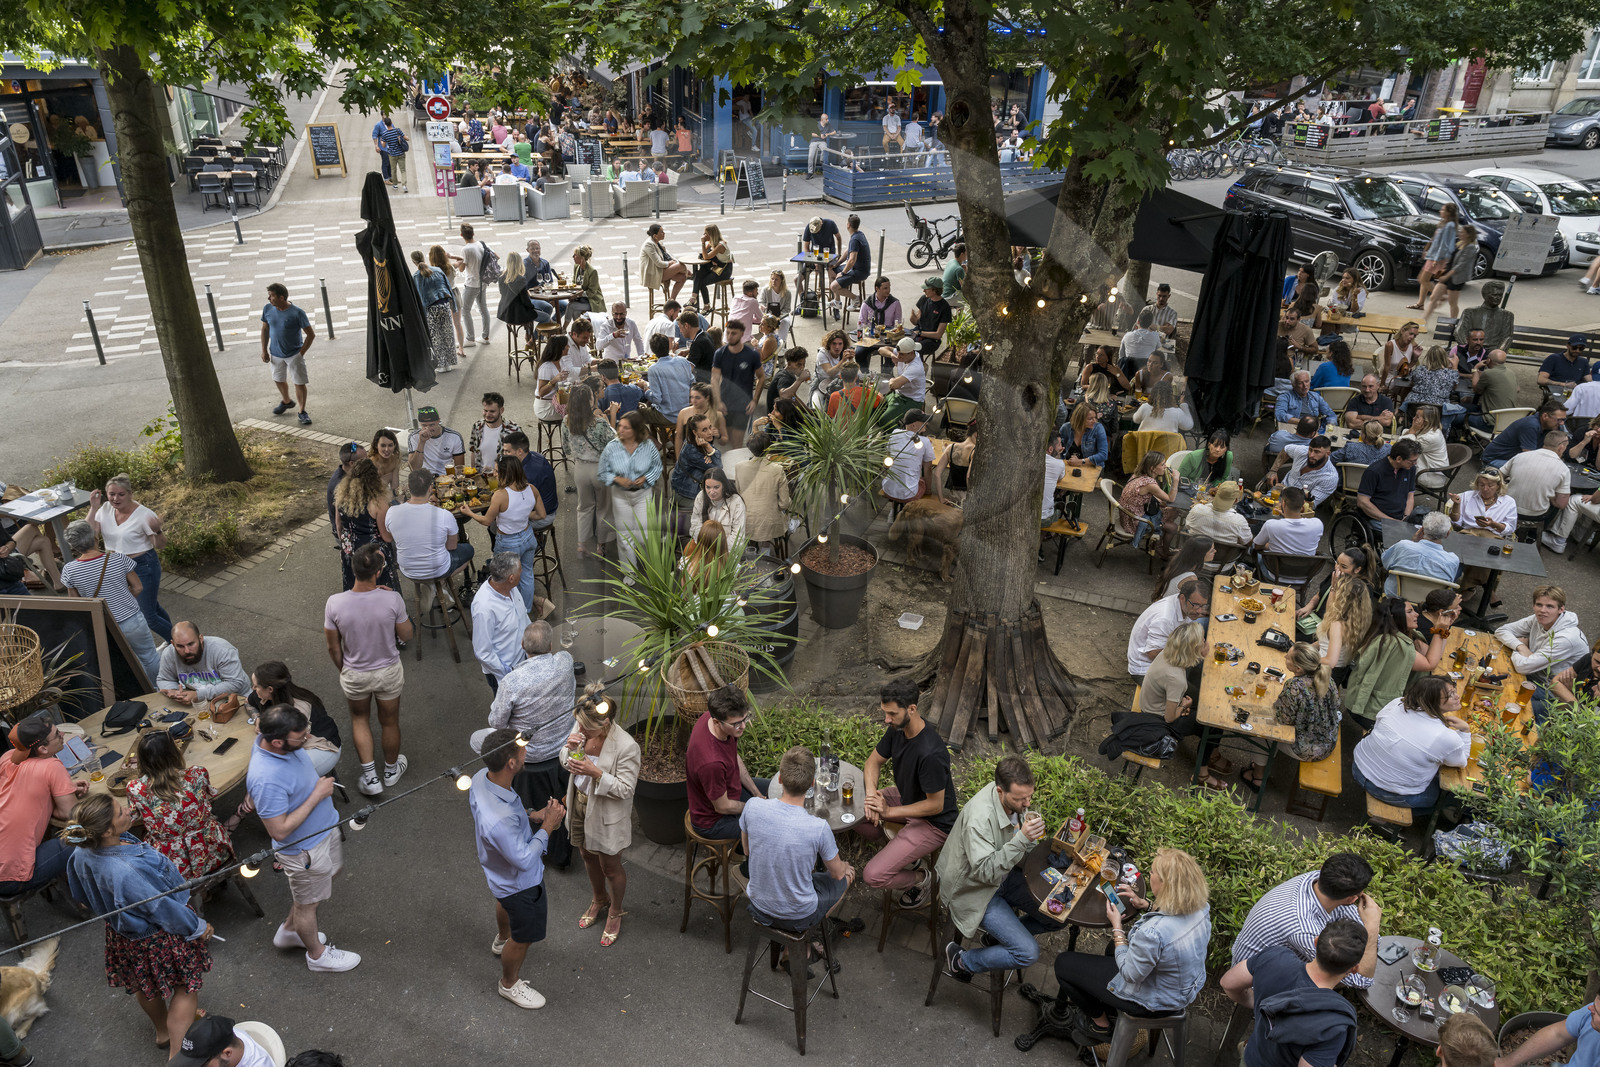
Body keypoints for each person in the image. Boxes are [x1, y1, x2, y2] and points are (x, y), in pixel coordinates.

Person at [62, 794, 215, 1051]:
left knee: (145, 985)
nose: (128, 809)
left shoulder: (82, 850)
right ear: (108, 830)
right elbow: (162, 909)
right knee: (185, 987)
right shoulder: (126, 871)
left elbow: (79, 894)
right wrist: (198, 927)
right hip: (157, 936)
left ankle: (163, 1032)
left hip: (122, 934)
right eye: (121, 812)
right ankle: (178, 1056)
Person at [1046, 848, 1211, 1044]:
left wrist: (1117, 927)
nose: (1149, 876)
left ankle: (1101, 1025)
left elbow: (1130, 974)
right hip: (1180, 990)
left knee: (1064, 964)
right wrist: (1147, 905)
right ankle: (1105, 1002)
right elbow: (1173, 917)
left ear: (1166, 884)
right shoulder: (1201, 908)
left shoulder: (1153, 933)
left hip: (1154, 1002)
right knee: (1111, 949)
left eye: (1152, 873)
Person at [244, 702, 357, 972]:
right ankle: (317, 957)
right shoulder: (265, 778)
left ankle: (289, 931)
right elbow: (279, 830)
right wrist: (316, 795)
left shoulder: (280, 744)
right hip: (304, 850)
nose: (307, 738)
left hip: (323, 832)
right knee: (308, 904)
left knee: (318, 887)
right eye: (301, 737)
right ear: (277, 741)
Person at [467, 727, 564, 1009]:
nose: (526, 753)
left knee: (504, 902)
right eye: (522, 750)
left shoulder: (479, 779)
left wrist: (532, 816)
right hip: (521, 885)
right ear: (511, 763)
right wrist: (548, 826)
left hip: (500, 878)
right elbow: (523, 859)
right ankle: (509, 983)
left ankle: (501, 938)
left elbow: (510, 822)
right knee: (524, 938)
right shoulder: (501, 819)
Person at [741, 746, 855, 966]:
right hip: (798, 916)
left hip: (758, 905)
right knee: (847, 875)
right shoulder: (818, 828)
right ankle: (804, 940)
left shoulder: (752, 807)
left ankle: (789, 946)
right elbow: (837, 873)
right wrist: (846, 868)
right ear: (812, 784)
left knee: (801, 879)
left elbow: (747, 851)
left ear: (780, 779)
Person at [938, 755, 1047, 981]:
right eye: (1020, 799)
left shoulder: (1013, 800)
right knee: (1028, 953)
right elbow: (985, 873)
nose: (1027, 804)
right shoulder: (979, 819)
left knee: (1057, 914)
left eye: (1030, 796)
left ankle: (998, 939)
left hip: (1004, 876)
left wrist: (1029, 836)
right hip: (976, 889)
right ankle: (961, 961)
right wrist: (1022, 839)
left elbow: (1017, 843)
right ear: (1000, 792)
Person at [853, 679, 957, 906]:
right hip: (906, 800)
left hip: (933, 822)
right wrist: (871, 797)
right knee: (852, 806)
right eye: (885, 712)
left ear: (912, 709)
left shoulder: (930, 753)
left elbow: (936, 805)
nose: (886, 719)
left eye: (891, 714)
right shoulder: (898, 729)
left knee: (873, 875)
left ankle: (924, 879)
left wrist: (888, 811)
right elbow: (873, 762)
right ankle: (897, 852)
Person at [323, 543, 412, 797]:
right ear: (379, 571)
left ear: (353, 570)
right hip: (388, 671)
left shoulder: (334, 603)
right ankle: (392, 770)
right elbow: (407, 634)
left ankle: (371, 777)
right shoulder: (392, 598)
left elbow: (333, 647)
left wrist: (345, 670)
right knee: (389, 721)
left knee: (360, 719)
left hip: (355, 673)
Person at [1221, 920, 1365, 1067]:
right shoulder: (1334, 1023)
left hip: (1253, 1056)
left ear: (1315, 942)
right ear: (1354, 969)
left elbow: (1228, 984)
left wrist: (1258, 1003)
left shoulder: (1274, 958)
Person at [1228, 853, 1380, 989]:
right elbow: (1361, 980)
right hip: (1252, 980)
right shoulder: (1303, 927)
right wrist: (1372, 929)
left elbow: (1348, 915)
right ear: (1353, 899)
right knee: (1331, 978)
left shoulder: (1318, 880)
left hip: (1265, 960)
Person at [561, 690, 641, 948]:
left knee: (610, 867)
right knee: (585, 855)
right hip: (579, 803)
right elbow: (565, 758)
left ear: (605, 722)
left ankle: (616, 910)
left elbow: (627, 789)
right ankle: (599, 898)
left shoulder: (627, 746)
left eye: (587, 730)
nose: (581, 732)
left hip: (606, 813)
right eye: (580, 727)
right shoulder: (582, 723)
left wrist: (596, 773)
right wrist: (570, 751)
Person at [61, 520, 161, 683]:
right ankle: (160, 688)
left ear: (74, 546)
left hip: (103, 625)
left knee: (124, 663)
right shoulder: (118, 559)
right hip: (131, 620)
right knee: (149, 657)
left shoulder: (69, 571)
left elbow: (76, 605)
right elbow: (137, 588)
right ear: (95, 538)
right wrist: (123, 598)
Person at [125, 730, 232, 882]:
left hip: (173, 865)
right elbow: (210, 798)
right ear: (174, 752)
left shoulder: (135, 788)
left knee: (143, 834)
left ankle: (193, 895)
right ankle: (205, 888)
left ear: (142, 759)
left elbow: (133, 818)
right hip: (212, 851)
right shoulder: (198, 773)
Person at [1352, 676, 1471, 810]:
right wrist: (1465, 730)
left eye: (1454, 691)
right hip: (1387, 791)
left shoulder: (1397, 702)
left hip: (1358, 766)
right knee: (1449, 797)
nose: (1457, 696)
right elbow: (1461, 761)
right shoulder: (1446, 737)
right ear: (1432, 702)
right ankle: (1387, 819)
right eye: (1450, 695)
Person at [1138, 622, 1231, 788]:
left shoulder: (1168, 653)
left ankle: (1212, 755)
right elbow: (1169, 717)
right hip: (1157, 722)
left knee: (1203, 705)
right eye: (1202, 640)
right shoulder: (1176, 679)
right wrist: (1183, 706)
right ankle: (1202, 775)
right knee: (1213, 725)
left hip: (1152, 704)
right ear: (1193, 649)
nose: (1206, 642)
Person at [0, 716, 84, 897]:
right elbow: (71, 813)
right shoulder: (51, 765)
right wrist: (64, 795)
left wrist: (65, 790)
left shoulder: (7, 758)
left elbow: (24, 793)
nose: (62, 734)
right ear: (43, 749)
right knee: (83, 836)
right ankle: (90, 896)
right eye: (57, 734)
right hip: (10, 879)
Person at [1239, 643, 1341, 790]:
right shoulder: (1328, 679)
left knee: (1263, 730)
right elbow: (1336, 704)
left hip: (1308, 748)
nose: (1285, 657)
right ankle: (1261, 762)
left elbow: (1283, 719)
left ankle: (1258, 777)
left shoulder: (1294, 685)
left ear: (1298, 669)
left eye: (1288, 657)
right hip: (1328, 739)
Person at [88, 473, 170, 641]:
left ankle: (180, 644)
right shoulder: (104, 509)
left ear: (130, 494)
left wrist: (158, 531)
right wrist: (93, 507)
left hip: (142, 566)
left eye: (121, 494)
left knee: (148, 617)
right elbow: (88, 534)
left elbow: (161, 545)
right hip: (117, 566)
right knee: (152, 607)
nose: (115, 498)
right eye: (111, 494)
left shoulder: (144, 515)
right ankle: (174, 638)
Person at [1344, 597, 1446, 726]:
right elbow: (1430, 664)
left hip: (1363, 703)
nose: (1417, 614)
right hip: (1369, 712)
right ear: (1394, 616)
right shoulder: (1394, 643)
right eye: (1409, 612)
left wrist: (1444, 629)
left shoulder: (1408, 634)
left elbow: (1435, 655)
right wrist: (1439, 630)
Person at [686, 685, 770, 840]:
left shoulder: (715, 719)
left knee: (774, 790)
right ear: (717, 722)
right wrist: (756, 808)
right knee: (770, 830)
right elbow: (722, 807)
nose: (743, 727)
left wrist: (757, 794)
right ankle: (745, 864)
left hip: (732, 792)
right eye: (737, 724)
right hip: (714, 821)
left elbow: (733, 757)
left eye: (745, 718)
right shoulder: (711, 763)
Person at [1495, 586, 1590, 720]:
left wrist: (1518, 649)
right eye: (1539, 605)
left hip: (1552, 694)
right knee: (1493, 682)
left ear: (1561, 609)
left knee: (1507, 706)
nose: (1542, 610)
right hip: (1533, 675)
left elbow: (1523, 667)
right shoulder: (1538, 619)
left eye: (1550, 606)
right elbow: (1501, 630)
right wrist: (1521, 646)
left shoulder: (1566, 638)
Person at [248, 662, 341, 777]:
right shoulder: (264, 695)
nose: (253, 689)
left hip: (320, 747)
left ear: (270, 689)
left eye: (256, 686)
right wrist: (257, 718)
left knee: (280, 776)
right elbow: (248, 703)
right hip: (296, 744)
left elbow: (291, 743)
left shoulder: (298, 709)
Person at [387, 470, 474, 591]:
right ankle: (437, 584)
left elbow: (392, 537)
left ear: (408, 488)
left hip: (408, 570)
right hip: (438, 569)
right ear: (430, 489)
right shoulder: (444, 515)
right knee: (469, 550)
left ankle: (432, 586)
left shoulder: (391, 512)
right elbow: (452, 547)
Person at [597, 411, 662, 568]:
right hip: (620, 496)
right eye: (620, 426)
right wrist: (616, 478)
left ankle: (651, 566)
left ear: (636, 430)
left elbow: (657, 466)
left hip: (643, 495)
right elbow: (602, 472)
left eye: (626, 428)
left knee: (644, 534)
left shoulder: (648, 446)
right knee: (624, 535)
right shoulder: (611, 447)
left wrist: (646, 477)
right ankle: (629, 571)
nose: (621, 430)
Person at [561, 384, 616, 559]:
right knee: (603, 508)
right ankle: (600, 545)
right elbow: (615, 444)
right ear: (589, 401)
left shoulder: (566, 421)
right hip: (600, 468)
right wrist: (611, 417)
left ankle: (582, 544)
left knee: (583, 507)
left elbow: (566, 449)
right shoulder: (599, 423)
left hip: (580, 469)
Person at [332, 458, 395, 592]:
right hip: (373, 554)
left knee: (353, 583)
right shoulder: (378, 502)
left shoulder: (341, 498)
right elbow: (386, 537)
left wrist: (346, 544)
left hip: (350, 550)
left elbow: (338, 526)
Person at [470, 552, 531, 691]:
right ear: (511, 578)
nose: (522, 572)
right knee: (507, 712)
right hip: (506, 673)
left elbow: (523, 618)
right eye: (520, 570)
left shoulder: (511, 588)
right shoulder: (484, 608)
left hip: (524, 663)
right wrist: (507, 674)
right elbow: (483, 652)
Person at [1127, 577, 1209, 677]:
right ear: (1183, 598)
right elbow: (1153, 654)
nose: (1199, 611)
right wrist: (1193, 652)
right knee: (1194, 691)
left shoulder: (1182, 603)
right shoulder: (1165, 619)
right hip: (1146, 669)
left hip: (1165, 659)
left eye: (1203, 606)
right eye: (1196, 605)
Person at [260, 282, 315, 425]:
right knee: (278, 379)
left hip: (294, 354)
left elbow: (310, 335)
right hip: (275, 354)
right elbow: (265, 329)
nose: (269, 298)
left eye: (271, 296)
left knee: (299, 382)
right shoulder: (267, 309)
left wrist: (300, 354)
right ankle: (286, 401)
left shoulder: (297, 313)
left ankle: (302, 412)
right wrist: (264, 350)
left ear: (282, 297)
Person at [156, 621, 249, 705]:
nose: (187, 651)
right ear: (173, 644)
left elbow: (235, 683)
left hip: (238, 698)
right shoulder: (169, 654)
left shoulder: (222, 650)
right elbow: (164, 679)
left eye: (191, 644)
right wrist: (174, 691)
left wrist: (199, 695)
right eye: (180, 646)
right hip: (200, 702)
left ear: (200, 638)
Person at [711, 320, 765, 447]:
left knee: (736, 443)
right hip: (725, 402)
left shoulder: (751, 355)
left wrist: (755, 400)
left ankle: (735, 464)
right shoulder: (720, 354)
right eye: (728, 333)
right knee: (724, 440)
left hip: (743, 405)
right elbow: (714, 379)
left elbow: (761, 377)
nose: (730, 336)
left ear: (742, 334)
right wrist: (718, 401)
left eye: (733, 333)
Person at [1379, 511, 1459, 596]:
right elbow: (1448, 584)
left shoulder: (1403, 546)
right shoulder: (1452, 560)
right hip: (1431, 605)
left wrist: (1412, 542)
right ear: (1447, 534)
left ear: (1422, 530)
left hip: (1395, 599)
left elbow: (1385, 562)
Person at [736, 433, 792, 550]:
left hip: (746, 521)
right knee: (783, 514)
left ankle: (751, 551)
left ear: (750, 448)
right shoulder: (777, 469)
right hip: (769, 522)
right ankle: (765, 551)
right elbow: (784, 503)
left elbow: (739, 493)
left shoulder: (739, 466)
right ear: (769, 448)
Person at [1315, 573, 1372, 685]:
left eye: (1337, 591)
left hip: (1323, 673)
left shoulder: (1337, 625)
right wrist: (1333, 587)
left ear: (1342, 599)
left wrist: (1305, 657)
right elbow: (1327, 643)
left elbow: (1330, 661)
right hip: (1339, 673)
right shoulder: (1357, 621)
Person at [1483, 401, 1571, 469]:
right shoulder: (1530, 426)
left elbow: (1559, 449)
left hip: (1515, 458)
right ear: (1545, 416)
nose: (1562, 423)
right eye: (1559, 420)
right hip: (1495, 460)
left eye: (1564, 420)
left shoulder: (1553, 426)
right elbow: (1529, 459)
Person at [412, 250, 459, 373]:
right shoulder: (438, 270)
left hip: (430, 308)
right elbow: (448, 288)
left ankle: (441, 364)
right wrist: (453, 305)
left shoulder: (416, 276)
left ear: (413, 261)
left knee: (436, 336)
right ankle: (450, 363)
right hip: (444, 304)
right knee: (447, 333)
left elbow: (419, 297)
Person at [1356, 438, 1420, 526]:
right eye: (1412, 461)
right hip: (1377, 518)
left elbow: (1410, 496)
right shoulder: (1374, 471)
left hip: (1400, 518)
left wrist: (1406, 517)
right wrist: (1391, 521)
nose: (1415, 463)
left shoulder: (1410, 469)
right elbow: (1362, 502)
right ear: (1399, 459)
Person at [883, 410, 941, 506]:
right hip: (908, 494)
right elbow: (928, 469)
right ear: (913, 426)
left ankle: (893, 510)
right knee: (922, 481)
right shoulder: (925, 442)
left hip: (888, 488)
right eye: (923, 422)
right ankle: (907, 511)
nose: (926, 423)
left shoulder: (895, 433)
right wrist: (928, 491)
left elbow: (887, 460)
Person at [1422, 224, 1479, 320]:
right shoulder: (1459, 243)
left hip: (1456, 278)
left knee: (1452, 303)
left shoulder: (1470, 248)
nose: (1459, 233)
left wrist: (1446, 276)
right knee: (1433, 298)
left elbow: (1460, 265)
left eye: (1462, 232)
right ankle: (1423, 321)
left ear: (1468, 235)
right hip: (1447, 273)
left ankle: (1452, 323)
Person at [1119, 451, 1172, 549]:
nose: (1166, 466)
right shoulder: (1150, 484)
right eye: (1162, 464)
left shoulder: (1138, 474)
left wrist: (1161, 502)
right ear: (1153, 468)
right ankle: (1162, 549)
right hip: (1133, 522)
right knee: (1172, 526)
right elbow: (1170, 498)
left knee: (1165, 509)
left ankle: (1157, 544)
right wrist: (1176, 480)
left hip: (1125, 515)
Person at [1410, 203, 1459, 309]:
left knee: (1422, 279)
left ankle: (1440, 296)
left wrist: (1436, 258)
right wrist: (1427, 249)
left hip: (1437, 257)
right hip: (1433, 255)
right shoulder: (1444, 223)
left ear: (1448, 212)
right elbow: (1435, 239)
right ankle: (1420, 303)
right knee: (1425, 280)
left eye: (1443, 210)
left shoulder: (1450, 225)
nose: (1440, 211)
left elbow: (1444, 244)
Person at [1254, 486, 1324, 559]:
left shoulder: (1270, 525)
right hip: (1306, 569)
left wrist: (1271, 545)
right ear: (1303, 504)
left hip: (1274, 569)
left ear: (1283, 503)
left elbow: (1258, 547)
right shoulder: (1318, 524)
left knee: (1253, 545)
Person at [1405, 350, 1464, 436]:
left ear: (1428, 357)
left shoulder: (1419, 369)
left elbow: (1411, 381)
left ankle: (1404, 422)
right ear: (1445, 358)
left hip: (1415, 407)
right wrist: (1455, 367)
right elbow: (1454, 387)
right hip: (1438, 412)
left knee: (1406, 400)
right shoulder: (1450, 373)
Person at [672, 414, 722, 511]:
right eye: (704, 430)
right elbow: (718, 467)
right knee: (719, 506)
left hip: (694, 488)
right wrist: (708, 449)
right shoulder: (691, 450)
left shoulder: (700, 441)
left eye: (710, 427)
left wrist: (709, 449)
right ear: (695, 432)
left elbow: (716, 455)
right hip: (685, 494)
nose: (710, 432)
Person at [827, 214, 872, 314]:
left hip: (859, 271)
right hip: (857, 268)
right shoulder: (859, 234)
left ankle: (856, 299)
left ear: (848, 225)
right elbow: (848, 251)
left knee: (833, 287)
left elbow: (852, 260)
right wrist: (837, 264)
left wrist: (843, 273)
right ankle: (837, 301)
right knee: (831, 269)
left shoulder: (855, 239)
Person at [457, 223, 493, 347]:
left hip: (472, 284)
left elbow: (461, 269)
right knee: (483, 309)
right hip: (483, 283)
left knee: (465, 310)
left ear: (462, 235)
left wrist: (458, 261)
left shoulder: (465, 249)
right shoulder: (482, 244)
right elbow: (495, 256)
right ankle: (485, 336)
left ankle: (470, 338)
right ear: (473, 233)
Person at [1272, 371, 1334, 442]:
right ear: (1293, 384)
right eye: (1300, 383)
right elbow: (1280, 414)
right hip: (1294, 429)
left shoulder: (1316, 397)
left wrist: (1330, 425)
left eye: (1306, 381)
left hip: (1313, 431)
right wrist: (1303, 422)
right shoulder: (1284, 397)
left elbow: (1330, 414)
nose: (1305, 385)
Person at [469, 392, 522, 473]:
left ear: (501, 410)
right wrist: (473, 474)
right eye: (485, 410)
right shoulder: (477, 426)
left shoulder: (514, 430)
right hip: (481, 477)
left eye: (492, 411)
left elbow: (520, 458)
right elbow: (473, 452)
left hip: (505, 478)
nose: (487, 414)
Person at [1184, 481, 1252, 545]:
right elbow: (1247, 542)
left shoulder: (1197, 510)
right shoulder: (1240, 522)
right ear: (1236, 500)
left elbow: (1187, 526)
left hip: (1196, 552)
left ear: (1216, 493)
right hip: (1226, 557)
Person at [645, 334, 695, 420]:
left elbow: (657, 399)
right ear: (669, 346)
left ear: (653, 351)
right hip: (687, 410)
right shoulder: (683, 361)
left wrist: (646, 391)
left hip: (669, 415)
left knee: (639, 413)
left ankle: (651, 433)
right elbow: (693, 383)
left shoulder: (654, 369)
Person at [407, 406, 466, 477]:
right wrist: (421, 442)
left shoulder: (454, 436)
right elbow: (414, 468)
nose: (428, 429)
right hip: (424, 478)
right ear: (420, 424)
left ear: (438, 421)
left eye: (432, 425)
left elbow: (460, 468)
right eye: (424, 425)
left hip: (447, 477)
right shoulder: (414, 437)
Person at [691, 226, 733, 309]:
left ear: (711, 234)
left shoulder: (721, 245)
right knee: (699, 274)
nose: (703, 235)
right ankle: (697, 300)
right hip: (717, 267)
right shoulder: (712, 242)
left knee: (700, 281)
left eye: (705, 233)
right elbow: (704, 254)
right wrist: (705, 246)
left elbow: (705, 256)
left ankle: (704, 305)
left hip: (724, 270)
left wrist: (703, 243)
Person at [1060, 403, 1109, 469]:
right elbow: (1060, 451)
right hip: (1069, 466)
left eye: (1095, 417)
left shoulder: (1098, 428)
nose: (1094, 421)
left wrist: (1081, 461)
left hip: (1092, 468)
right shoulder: (1066, 428)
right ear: (1080, 419)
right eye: (1090, 419)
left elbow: (1103, 455)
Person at [1120, 307, 1165, 376]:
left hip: (1127, 371)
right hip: (1147, 373)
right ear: (1150, 323)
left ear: (1138, 322)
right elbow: (1157, 350)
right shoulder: (1155, 336)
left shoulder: (1127, 335)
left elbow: (1121, 356)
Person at [1378, 321, 1424, 388]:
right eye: (1410, 334)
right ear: (1402, 331)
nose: (1412, 337)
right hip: (1390, 377)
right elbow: (1387, 367)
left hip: (1403, 377)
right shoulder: (1390, 345)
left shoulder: (1413, 345)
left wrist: (1415, 358)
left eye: (1415, 336)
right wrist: (1382, 384)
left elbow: (1409, 367)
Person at [568, 245, 604, 323]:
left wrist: (578, 294)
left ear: (582, 258)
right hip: (580, 300)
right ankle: (578, 331)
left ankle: (563, 328)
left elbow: (592, 293)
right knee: (575, 312)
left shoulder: (592, 271)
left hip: (592, 302)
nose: (573, 256)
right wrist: (573, 294)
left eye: (575, 255)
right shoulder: (576, 267)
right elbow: (574, 283)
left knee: (571, 306)